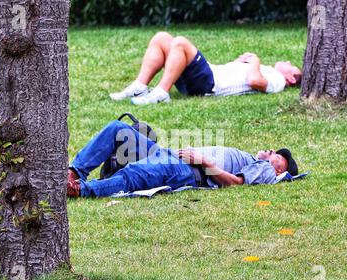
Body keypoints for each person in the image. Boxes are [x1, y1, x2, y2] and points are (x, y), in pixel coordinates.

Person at [67, 120, 299, 198]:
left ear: (280, 172)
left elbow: (236, 183)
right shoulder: (250, 158)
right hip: (170, 155)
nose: (271, 152)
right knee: (118, 129)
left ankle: (81, 190)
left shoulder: (266, 171)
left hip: (187, 170)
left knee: (134, 175)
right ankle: (74, 172)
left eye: (277, 157)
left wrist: (203, 162)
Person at [109, 31, 302, 105]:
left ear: (291, 79)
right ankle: (139, 86)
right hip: (208, 76)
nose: (288, 62)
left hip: (210, 84)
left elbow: (255, 81)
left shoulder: (278, 80)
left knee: (181, 43)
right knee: (161, 38)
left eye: (292, 67)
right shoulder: (271, 71)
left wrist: (255, 61)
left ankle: (161, 93)